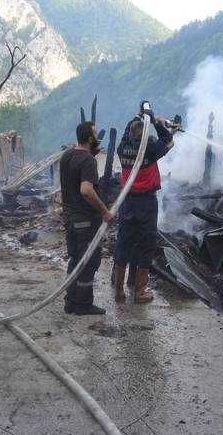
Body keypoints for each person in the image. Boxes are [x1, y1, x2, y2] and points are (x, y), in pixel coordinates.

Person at [113, 103, 175, 303]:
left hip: (127, 201)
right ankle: (139, 292)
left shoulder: (122, 148)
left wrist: (137, 117)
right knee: (146, 245)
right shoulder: (149, 149)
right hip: (146, 202)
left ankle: (119, 291)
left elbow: (125, 133)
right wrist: (155, 120)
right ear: (145, 134)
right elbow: (167, 139)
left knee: (124, 243)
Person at [60, 121, 116, 315]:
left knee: (75, 259)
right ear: (90, 138)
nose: (97, 139)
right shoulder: (88, 161)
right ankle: (83, 305)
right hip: (85, 220)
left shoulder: (66, 155)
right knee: (89, 261)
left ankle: (71, 301)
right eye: (95, 135)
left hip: (69, 218)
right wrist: (104, 211)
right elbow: (86, 190)